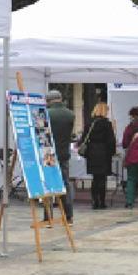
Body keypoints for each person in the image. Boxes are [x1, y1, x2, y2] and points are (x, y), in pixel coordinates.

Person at [46, 89, 76, 223]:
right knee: (64, 184)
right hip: (64, 154)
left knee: (47, 185)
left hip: (48, 154)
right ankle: (68, 215)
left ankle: (48, 216)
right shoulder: (70, 114)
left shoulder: (46, 114)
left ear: (49, 100)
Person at [80, 102, 116, 209]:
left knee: (95, 178)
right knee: (102, 179)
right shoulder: (107, 124)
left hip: (92, 152)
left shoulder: (89, 123)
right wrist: (112, 152)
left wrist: (87, 153)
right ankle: (102, 202)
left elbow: (83, 139)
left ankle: (95, 201)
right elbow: (111, 141)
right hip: (103, 153)